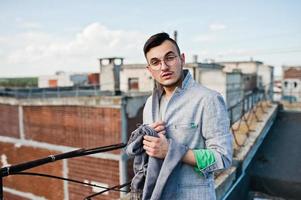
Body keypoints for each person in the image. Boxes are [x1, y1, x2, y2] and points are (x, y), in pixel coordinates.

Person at [137, 32, 233, 200]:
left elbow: (222, 158)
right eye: (155, 62)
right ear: (149, 70)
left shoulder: (208, 99)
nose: (164, 67)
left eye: (170, 58)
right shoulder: (149, 104)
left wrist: (172, 151)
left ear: (182, 59)